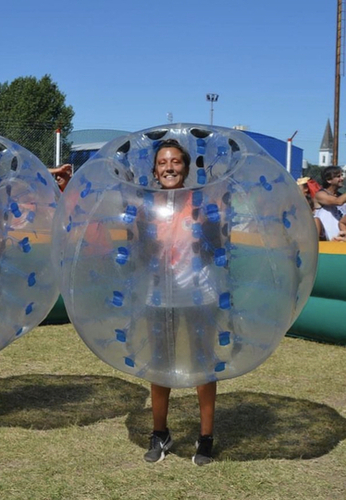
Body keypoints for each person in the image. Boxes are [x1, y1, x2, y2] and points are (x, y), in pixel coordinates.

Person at [141, 139, 220, 466]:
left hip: (199, 294)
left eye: (175, 162)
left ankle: (205, 438)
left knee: (203, 362)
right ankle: (160, 433)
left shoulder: (201, 204)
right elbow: (140, 254)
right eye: (163, 162)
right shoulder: (145, 206)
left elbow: (218, 247)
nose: (169, 168)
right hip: (159, 296)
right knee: (160, 363)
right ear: (155, 170)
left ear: (186, 169)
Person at [313, 166, 346, 241]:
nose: (342, 179)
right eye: (338, 176)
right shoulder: (320, 195)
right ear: (329, 180)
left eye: (341, 175)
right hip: (324, 242)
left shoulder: (341, 196)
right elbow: (338, 201)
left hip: (340, 240)